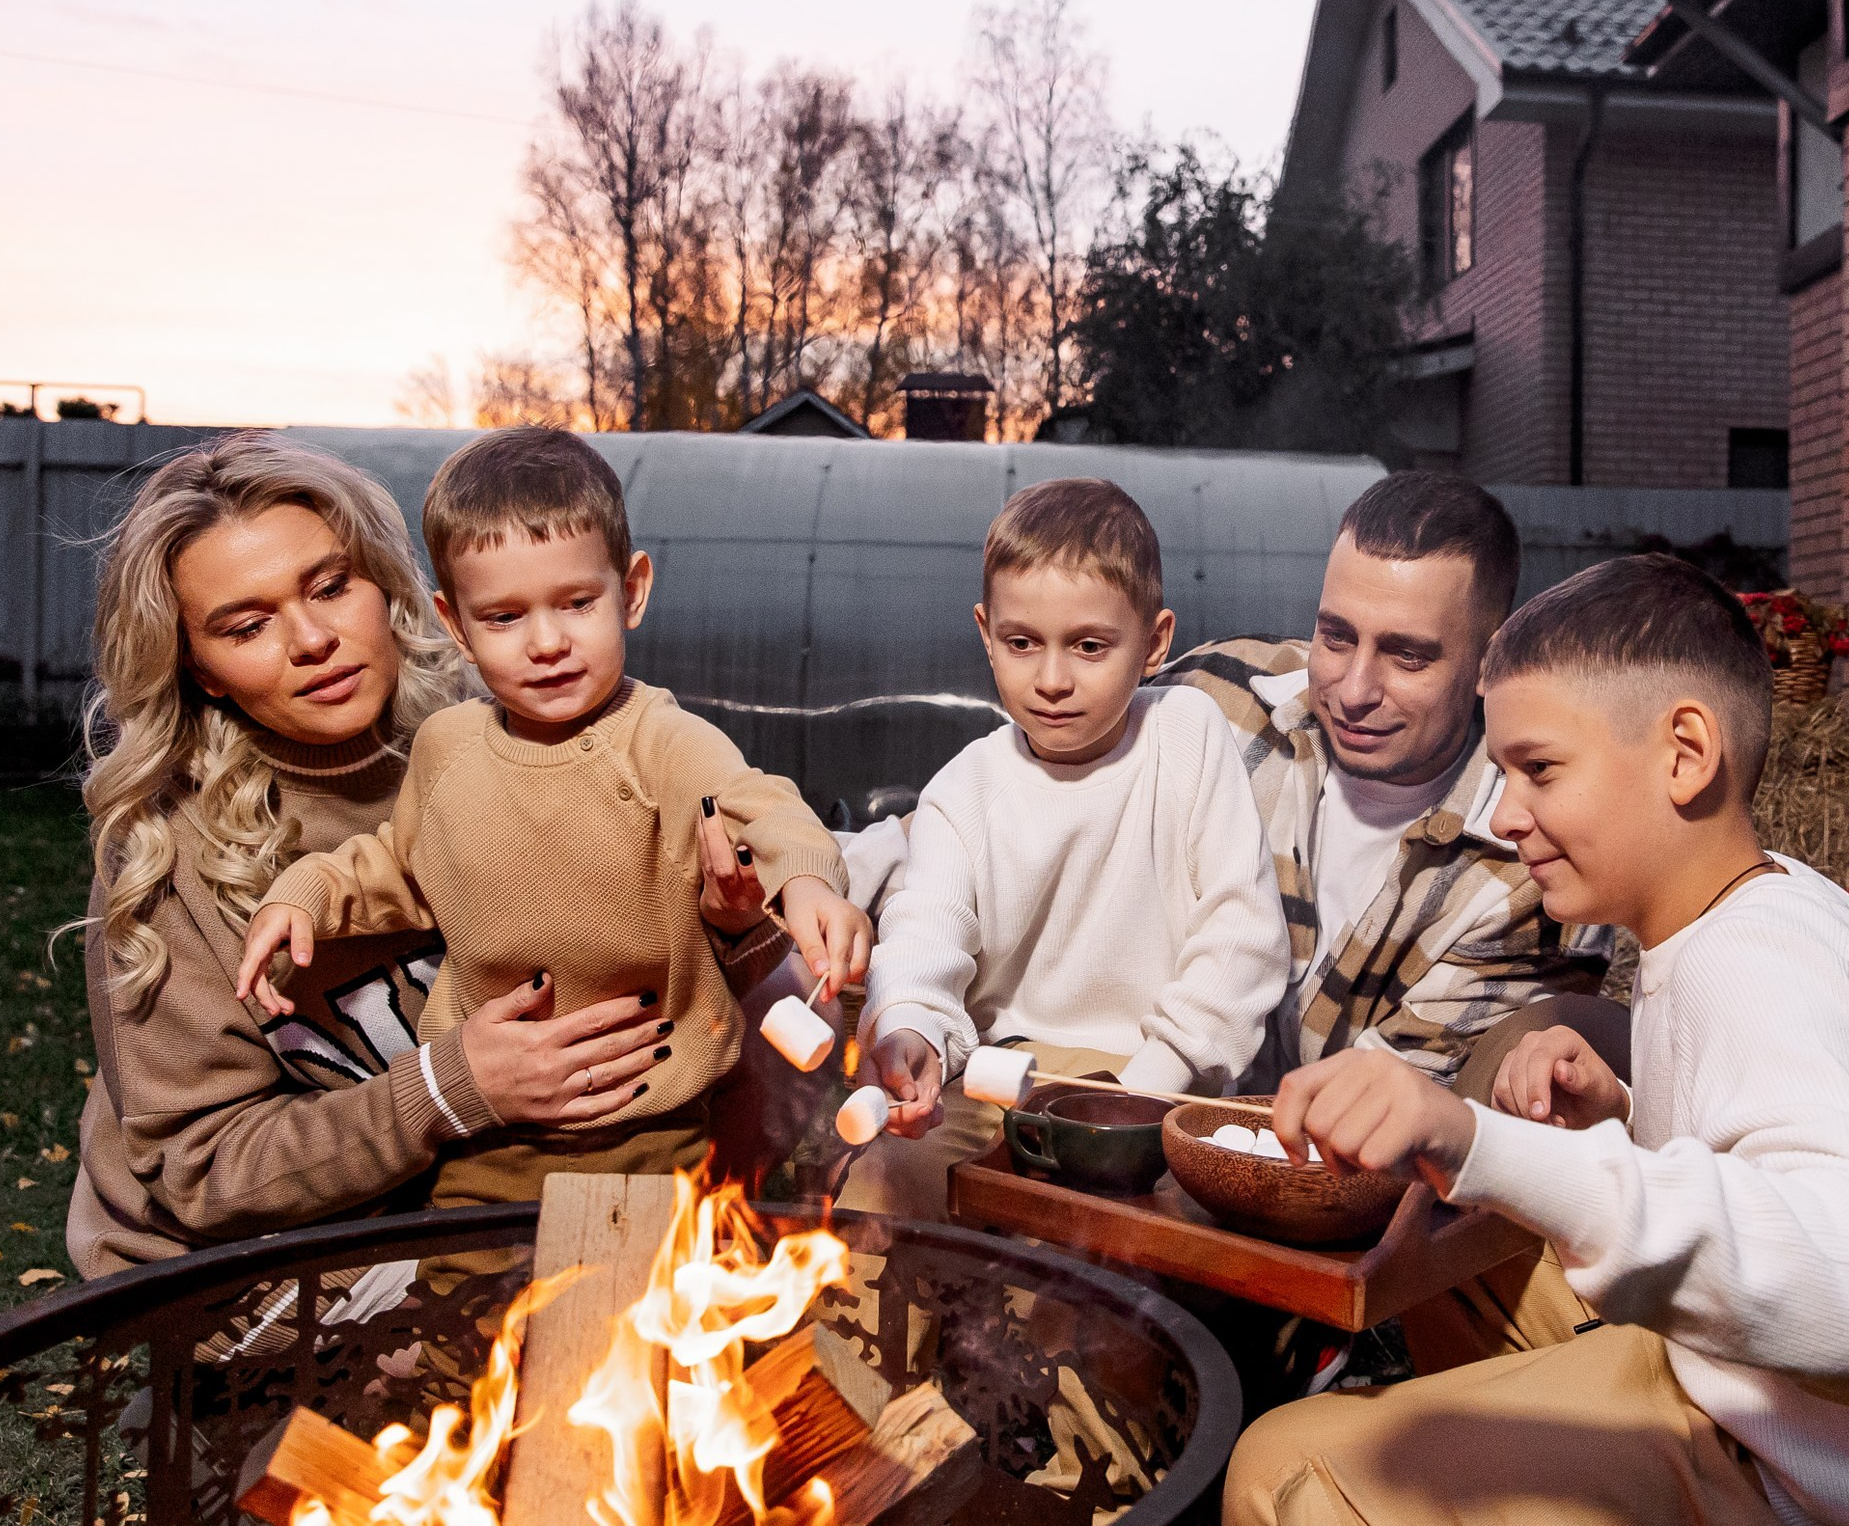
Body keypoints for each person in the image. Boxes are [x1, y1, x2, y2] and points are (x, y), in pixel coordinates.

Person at [1226, 554, 1849, 1525]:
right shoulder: (1758, 903)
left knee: (1285, 1470)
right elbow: (1786, 1158)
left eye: (1538, 769)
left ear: (1684, 754)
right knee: (1476, 1243)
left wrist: (1474, 1138)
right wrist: (1627, 1115)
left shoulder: (1751, 963)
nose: (1505, 815)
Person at [66, 433, 777, 1277]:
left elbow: (651, 988)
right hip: (262, 1273)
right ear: (202, 668)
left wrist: (730, 922)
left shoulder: (496, 749)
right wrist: (448, 1088)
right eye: (249, 626)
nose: (312, 639)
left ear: (388, 586)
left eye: (332, 587)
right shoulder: (166, 856)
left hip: (490, 1206)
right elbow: (201, 1169)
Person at [236, 427, 869, 1206]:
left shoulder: (664, 742)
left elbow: (763, 807)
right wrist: (304, 893)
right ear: (456, 624)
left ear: (631, 591)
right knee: (465, 1285)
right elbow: (396, 864)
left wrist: (805, 881)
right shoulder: (447, 748)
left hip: (643, 1122)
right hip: (484, 1135)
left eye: (577, 603)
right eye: (504, 617)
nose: (546, 642)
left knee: (638, 1284)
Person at [1156, 471, 1619, 1366]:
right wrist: (849, 871)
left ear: (1489, 662)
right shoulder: (1214, 700)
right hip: (1119, 1143)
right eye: (1336, 635)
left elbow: (1348, 1164)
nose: (1353, 687)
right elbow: (1001, 801)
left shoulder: (1534, 871)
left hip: (1324, 1257)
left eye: (1407, 656)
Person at [844, 477, 1289, 1219]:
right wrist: (910, 1025)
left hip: (1163, 1090)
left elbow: (1242, 939)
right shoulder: (964, 789)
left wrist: (1147, 1088)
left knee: (1129, 1255)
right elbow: (924, 933)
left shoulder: (1187, 735)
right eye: (1022, 643)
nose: (1052, 680)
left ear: (1154, 642)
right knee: (880, 1187)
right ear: (986, 633)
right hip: (998, 1084)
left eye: (1089, 646)